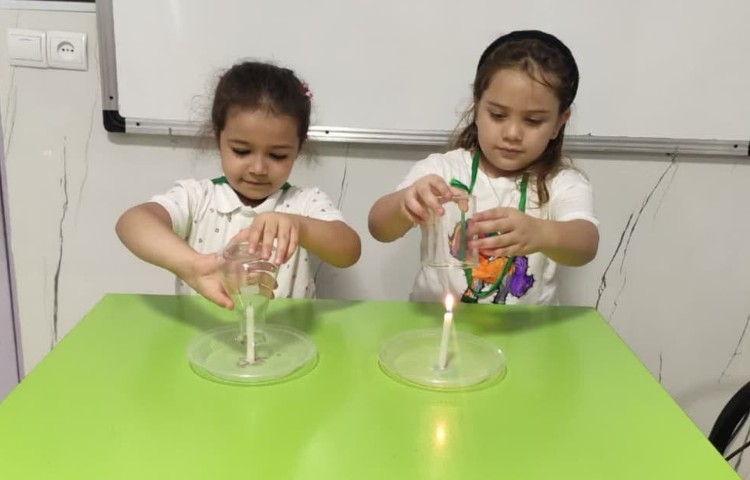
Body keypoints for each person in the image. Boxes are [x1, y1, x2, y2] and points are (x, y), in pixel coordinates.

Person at [368, 30, 599, 305]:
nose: (512, 133)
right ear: (477, 107)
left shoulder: (561, 182)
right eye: (498, 115)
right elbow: (379, 228)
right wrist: (405, 204)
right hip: (437, 324)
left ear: (559, 122)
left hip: (526, 328)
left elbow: (586, 244)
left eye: (533, 121)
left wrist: (541, 233)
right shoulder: (442, 170)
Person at [116, 61, 361, 308]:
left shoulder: (304, 203)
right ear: (218, 138)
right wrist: (192, 265)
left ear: (298, 149)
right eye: (242, 151)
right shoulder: (197, 197)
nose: (258, 168)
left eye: (277, 155)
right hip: (205, 329)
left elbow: (349, 251)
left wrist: (300, 227)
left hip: (285, 330)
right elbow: (132, 222)